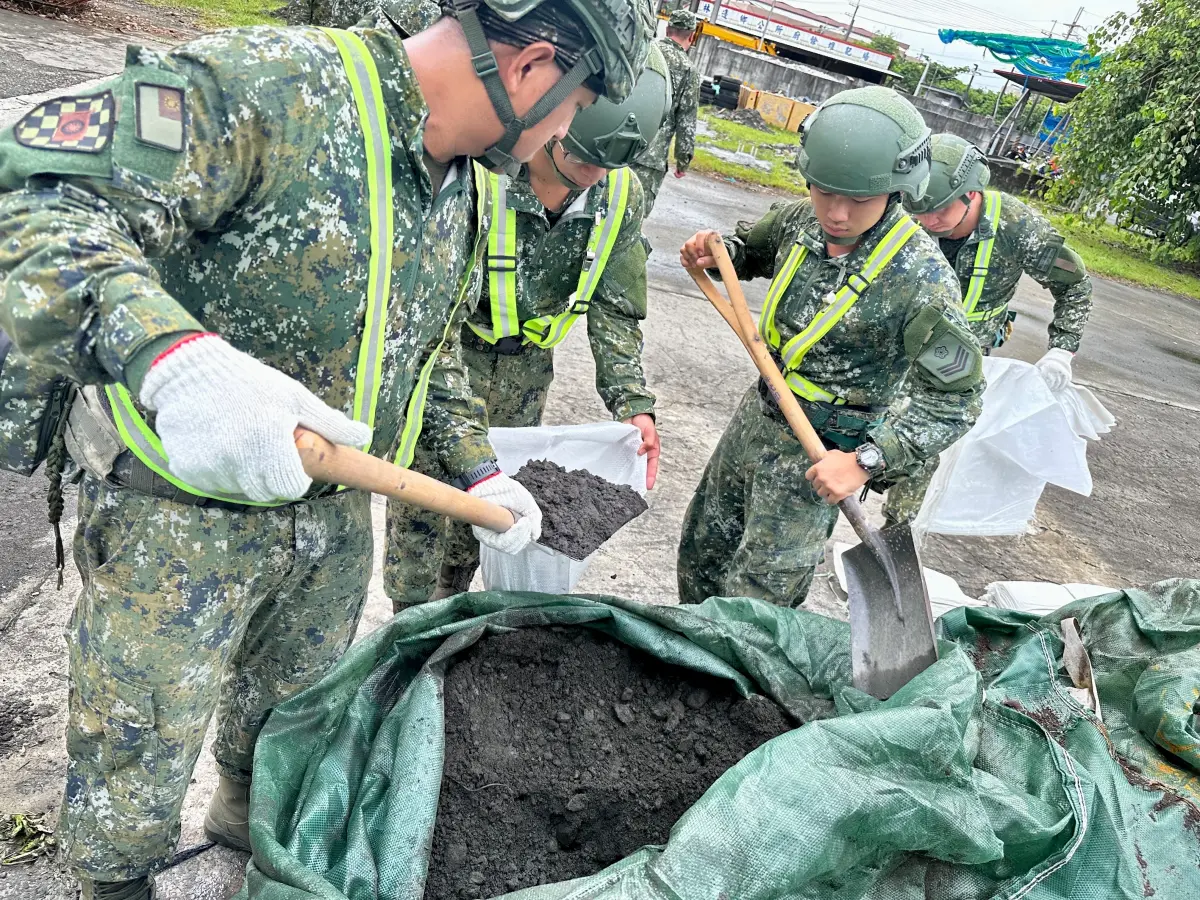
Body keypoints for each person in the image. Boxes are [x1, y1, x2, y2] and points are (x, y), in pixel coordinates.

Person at [0, 0, 650, 896]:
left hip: (331, 518)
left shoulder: (463, 182)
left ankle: (245, 824)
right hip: (178, 520)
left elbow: (426, 351)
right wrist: (170, 358)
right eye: (574, 109)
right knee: (138, 740)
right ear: (535, 65)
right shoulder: (270, 84)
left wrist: (479, 468)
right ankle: (115, 885)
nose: (560, 137)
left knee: (290, 714)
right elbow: (36, 200)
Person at [675, 86, 984, 608]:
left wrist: (866, 460)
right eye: (824, 191)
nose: (837, 213)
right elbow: (749, 252)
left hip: (822, 453)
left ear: (895, 189)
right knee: (703, 555)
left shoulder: (921, 279)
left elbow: (957, 400)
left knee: (760, 600)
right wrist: (716, 253)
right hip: (756, 420)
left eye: (858, 200)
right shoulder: (801, 220)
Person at [385, 46, 670, 608]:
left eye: (609, 165)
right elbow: (425, 305)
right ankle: (406, 622)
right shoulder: (482, 172)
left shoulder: (619, 194)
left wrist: (632, 402)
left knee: (492, 517)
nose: (594, 176)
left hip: (526, 380)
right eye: (581, 157)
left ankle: (454, 610)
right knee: (420, 517)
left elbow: (615, 307)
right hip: (450, 363)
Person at [882, 132, 1092, 525]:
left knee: (925, 438)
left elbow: (1075, 284)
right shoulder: (906, 215)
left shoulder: (1018, 227)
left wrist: (1062, 349)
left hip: (955, 359)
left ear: (971, 193)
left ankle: (898, 526)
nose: (927, 221)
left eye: (939, 210)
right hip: (896, 340)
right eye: (919, 210)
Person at [630, 7, 700, 214]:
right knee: (634, 213)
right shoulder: (688, 70)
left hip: (616, 143)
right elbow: (687, 120)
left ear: (668, 30)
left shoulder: (644, 51)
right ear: (691, 36)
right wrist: (683, 160)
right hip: (650, 155)